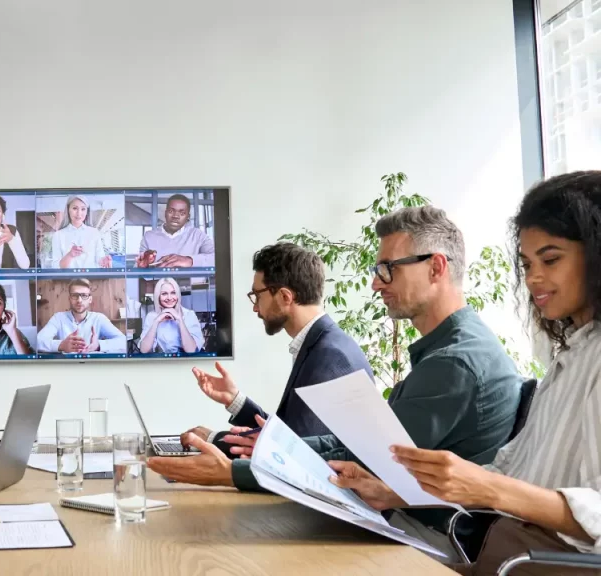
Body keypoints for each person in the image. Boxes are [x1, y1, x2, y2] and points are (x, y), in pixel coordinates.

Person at [148, 207, 522, 539]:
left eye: (387, 270)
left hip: (425, 534)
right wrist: (260, 447)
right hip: (408, 520)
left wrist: (235, 467)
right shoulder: (449, 351)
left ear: (436, 267)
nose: (376, 283)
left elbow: (366, 460)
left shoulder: (453, 362)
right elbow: (352, 445)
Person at [333, 171, 601, 575]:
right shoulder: (571, 357)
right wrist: (393, 493)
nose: (533, 279)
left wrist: (487, 487)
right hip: (506, 550)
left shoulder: (462, 360)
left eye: (550, 259)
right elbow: (509, 473)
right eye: (527, 264)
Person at [176, 243, 373, 461]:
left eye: (257, 295)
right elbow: (291, 436)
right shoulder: (322, 343)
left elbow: (294, 454)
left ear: (285, 297)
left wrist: (213, 439)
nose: (254, 307)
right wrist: (235, 400)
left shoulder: (329, 356)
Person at [37, 278, 125, 354]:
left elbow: (123, 341)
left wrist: (98, 345)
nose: (79, 300)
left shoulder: (99, 319)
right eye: (75, 295)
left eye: (84, 296)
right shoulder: (58, 318)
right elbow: (38, 341)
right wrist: (61, 345)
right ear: (69, 298)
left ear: (90, 299)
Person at [135, 194, 215, 269]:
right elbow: (139, 265)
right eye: (171, 211)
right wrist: (142, 266)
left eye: (182, 213)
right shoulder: (149, 236)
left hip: (189, 284)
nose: (175, 216)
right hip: (156, 284)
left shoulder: (198, 235)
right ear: (165, 213)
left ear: (188, 217)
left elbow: (217, 258)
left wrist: (190, 260)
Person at [138, 277, 205, 354]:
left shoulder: (189, 314)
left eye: (173, 293)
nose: (169, 298)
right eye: (164, 294)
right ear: (158, 297)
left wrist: (180, 320)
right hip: (164, 362)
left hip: (187, 361)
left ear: (178, 295)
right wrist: (156, 321)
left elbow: (191, 350)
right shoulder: (151, 316)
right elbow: (144, 350)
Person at [47, 195, 113, 269]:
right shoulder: (58, 235)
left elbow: (99, 258)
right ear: (68, 210)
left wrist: (103, 261)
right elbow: (56, 267)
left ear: (87, 211)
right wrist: (70, 255)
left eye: (83, 209)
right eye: (75, 208)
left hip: (91, 279)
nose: (79, 213)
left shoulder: (94, 233)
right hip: (68, 280)